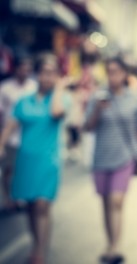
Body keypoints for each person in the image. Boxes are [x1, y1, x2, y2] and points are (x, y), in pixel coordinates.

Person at [0, 54, 71, 264]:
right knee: (31, 206)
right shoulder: (25, 100)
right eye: (44, 73)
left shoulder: (61, 98)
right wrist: (1, 145)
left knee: (42, 205)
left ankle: (40, 251)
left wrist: (59, 88)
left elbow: (57, 113)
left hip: (48, 160)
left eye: (52, 73)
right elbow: (11, 125)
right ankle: (35, 244)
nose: (47, 78)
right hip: (26, 160)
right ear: (37, 74)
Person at [85, 57, 137, 263]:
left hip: (125, 156)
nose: (113, 76)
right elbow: (87, 127)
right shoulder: (98, 97)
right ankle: (109, 241)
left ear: (124, 74)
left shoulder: (133, 99)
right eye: (109, 71)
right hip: (101, 156)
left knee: (116, 200)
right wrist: (97, 109)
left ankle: (116, 246)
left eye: (116, 71)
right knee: (105, 202)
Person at [0, 55, 36, 209]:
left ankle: (23, 196)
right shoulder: (5, 88)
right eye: (23, 68)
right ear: (16, 69)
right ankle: (9, 198)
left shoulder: (34, 87)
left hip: (30, 137)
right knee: (10, 169)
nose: (25, 72)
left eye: (28, 69)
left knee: (26, 169)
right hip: (11, 137)